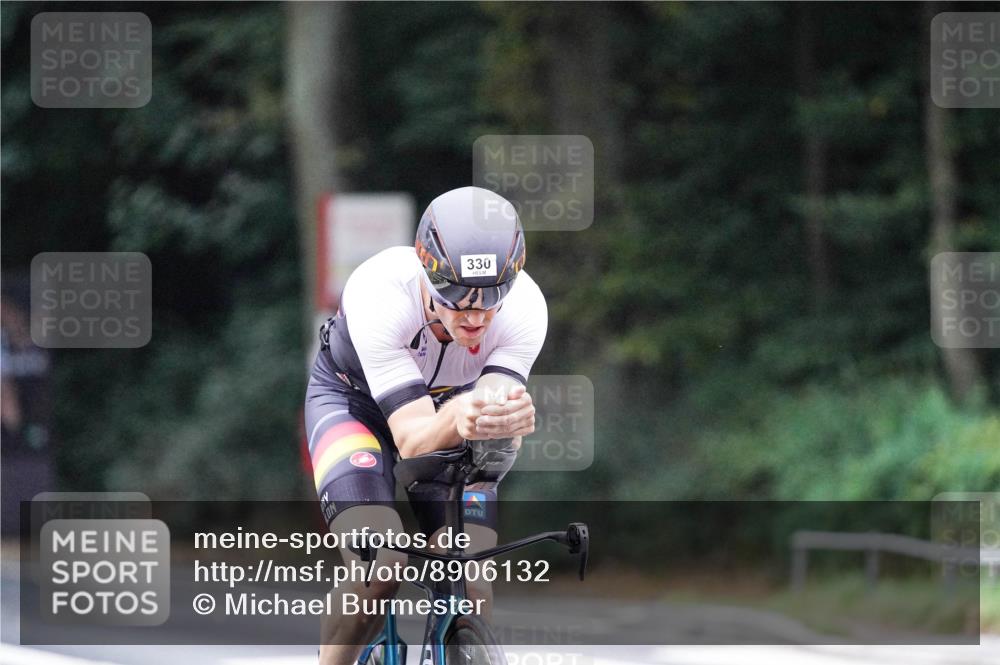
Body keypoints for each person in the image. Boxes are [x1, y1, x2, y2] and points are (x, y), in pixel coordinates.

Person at [304, 186, 546, 664]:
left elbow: (491, 416)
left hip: (453, 415)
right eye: (456, 296)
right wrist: (463, 412)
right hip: (355, 406)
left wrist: (507, 421)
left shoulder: (526, 306)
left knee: (470, 576)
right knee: (380, 566)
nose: (474, 316)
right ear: (426, 270)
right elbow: (414, 439)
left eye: (491, 297)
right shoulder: (379, 290)